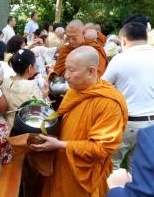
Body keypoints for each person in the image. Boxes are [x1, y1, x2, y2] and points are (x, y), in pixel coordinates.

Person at [30, 46, 128, 197]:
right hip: (62, 163)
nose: (66, 76)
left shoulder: (109, 103)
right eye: (66, 69)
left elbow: (102, 148)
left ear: (91, 71)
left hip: (82, 172)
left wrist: (61, 145)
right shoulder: (75, 90)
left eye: (71, 70)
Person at [101, 22, 154, 173]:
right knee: (138, 168)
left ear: (123, 40)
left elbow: (102, 86)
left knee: (112, 164)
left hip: (128, 121)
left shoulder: (121, 59)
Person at [106, 122, 154, 197]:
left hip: (134, 125)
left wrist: (116, 188)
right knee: (134, 166)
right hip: (153, 121)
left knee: (114, 162)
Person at [1, 49, 44, 130]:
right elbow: (40, 110)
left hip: (8, 127)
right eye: (35, 64)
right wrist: (44, 96)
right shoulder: (31, 86)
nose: (36, 67)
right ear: (30, 67)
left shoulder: (6, 81)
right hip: (24, 128)